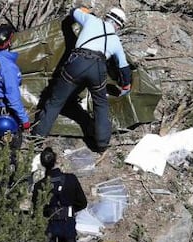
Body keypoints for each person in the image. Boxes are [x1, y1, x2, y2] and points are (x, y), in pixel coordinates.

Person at [33, 7, 132, 153]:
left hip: (77, 63)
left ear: (107, 17)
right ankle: (102, 145)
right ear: (118, 25)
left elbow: (73, 12)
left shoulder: (91, 20)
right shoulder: (116, 40)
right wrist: (126, 85)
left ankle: (38, 137)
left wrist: (83, 10)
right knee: (101, 106)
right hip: (98, 68)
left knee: (55, 101)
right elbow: (123, 66)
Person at [32, 147, 87, 242]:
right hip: (67, 224)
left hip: (48, 225)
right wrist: (69, 210)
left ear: (43, 164)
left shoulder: (39, 186)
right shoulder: (71, 179)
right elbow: (83, 202)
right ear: (56, 160)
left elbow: (36, 210)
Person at [0, 24, 31, 149]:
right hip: (6, 109)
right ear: (8, 42)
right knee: (12, 144)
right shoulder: (8, 67)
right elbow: (12, 97)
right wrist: (25, 120)